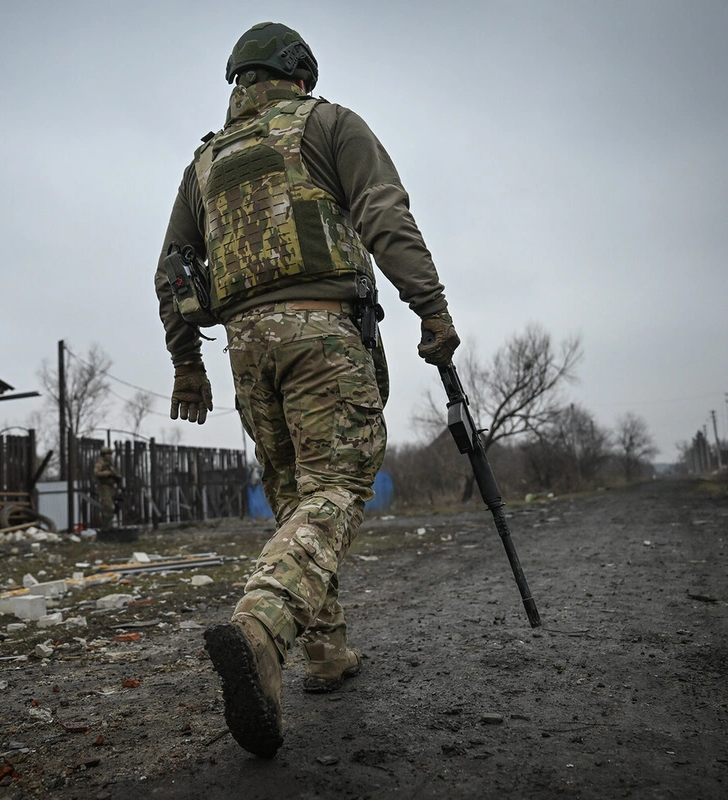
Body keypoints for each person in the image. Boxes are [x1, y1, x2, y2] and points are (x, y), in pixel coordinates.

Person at [154, 21, 460, 758]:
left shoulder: (205, 163)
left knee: (296, 500)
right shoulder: (330, 123)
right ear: (299, 72)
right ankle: (261, 628)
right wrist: (433, 309)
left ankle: (327, 656)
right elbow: (385, 217)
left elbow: (171, 270)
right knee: (339, 487)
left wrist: (186, 362)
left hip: (246, 350)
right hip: (322, 334)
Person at [93, 446, 120, 522]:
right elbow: (96, 473)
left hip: (111, 487)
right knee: (108, 506)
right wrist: (107, 474)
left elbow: (114, 473)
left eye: (110, 454)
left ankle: (109, 524)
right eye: (107, 454)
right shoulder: (100, 463)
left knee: (113, 506)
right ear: (103, 455)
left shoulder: (109, 464)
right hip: (104, 486)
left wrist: (116, 477)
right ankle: (106, 526)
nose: (109, 456)